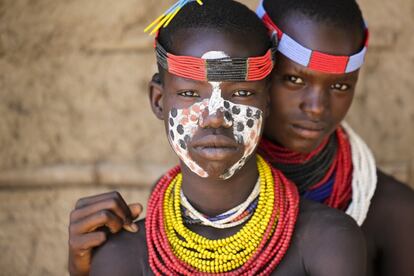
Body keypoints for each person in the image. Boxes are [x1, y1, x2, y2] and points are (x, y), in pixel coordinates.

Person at [68, 1, 366, 275]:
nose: (214, 116)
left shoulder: (328, 242)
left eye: (241, 94)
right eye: (189, 94)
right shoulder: (123, 256)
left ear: (267, 103)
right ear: (159, 101)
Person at [255, 0, 414, 275]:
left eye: (340, 85)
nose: (317, 106)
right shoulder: (206, 198)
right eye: (294, 79)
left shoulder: (393, 212)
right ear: (259, 70)